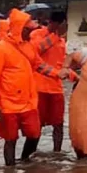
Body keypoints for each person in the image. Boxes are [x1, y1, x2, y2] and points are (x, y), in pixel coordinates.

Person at [0, 9, 67, 167]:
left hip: (28, 102)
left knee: (34, 134)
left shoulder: (28, 46)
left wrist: (57, 73)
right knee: (10, 139)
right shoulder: (1, 48)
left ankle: (25, 162)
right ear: (19, 29)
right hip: (8, 103)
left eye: (31, 29)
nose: (31, 32)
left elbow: (39, 65)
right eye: (28, 30)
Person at [29, 11, 74, 152]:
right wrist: (54, 35)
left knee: (58, 124)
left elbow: (60, 65)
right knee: (37, 124)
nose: (66, 28)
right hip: (40, 87)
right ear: (56, 23)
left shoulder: (61, 42)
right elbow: (36, 52)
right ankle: (30, 153)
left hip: (56, 88)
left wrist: (74, 76)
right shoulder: (37, 35)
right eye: (64, 24)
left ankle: (57, 153)